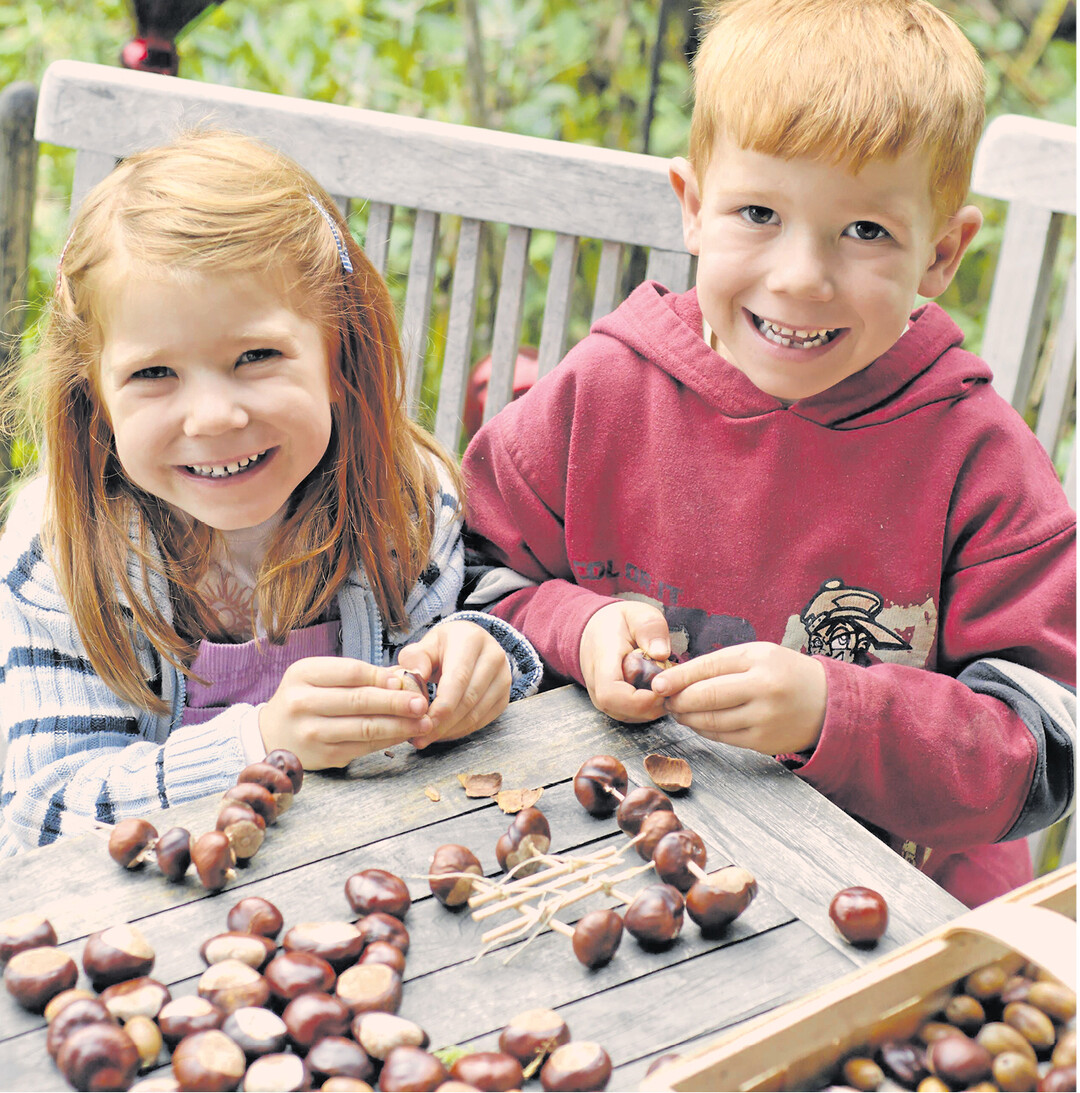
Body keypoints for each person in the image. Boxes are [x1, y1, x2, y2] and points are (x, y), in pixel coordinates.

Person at [461, 0, 1076, 907]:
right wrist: (578, 627)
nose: (800, 277)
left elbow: (1044, 754)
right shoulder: (600, 396)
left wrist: (836, 710)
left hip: (894, 908)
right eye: (758, 212)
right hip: (617, 879)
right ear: (692, 207)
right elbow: (471, 582)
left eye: (866, 232)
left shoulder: (981, 463)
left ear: (942, 253)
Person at [0, 130, 541, 855]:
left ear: (339, 355)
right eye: (153, 374)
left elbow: (476, 613)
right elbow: (38, 813)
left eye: (256, 356)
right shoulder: (61, 561)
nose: (213, 417)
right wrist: (257, 741)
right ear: (95, 395)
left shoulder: (400, 504)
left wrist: (483, 654)